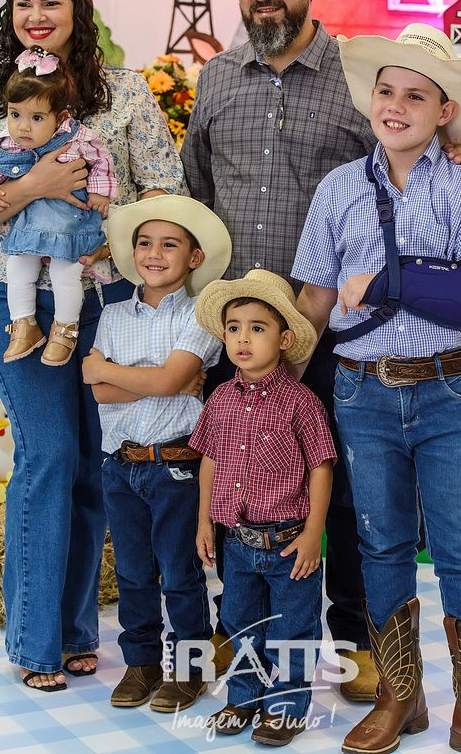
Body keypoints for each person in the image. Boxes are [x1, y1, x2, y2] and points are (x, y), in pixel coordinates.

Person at [181, 0, 461, 699]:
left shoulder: (356, 80)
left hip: (332, 332)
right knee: (240, 481)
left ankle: (357, 640)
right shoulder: (216, 80)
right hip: (238, 331)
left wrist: (457, 154)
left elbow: (403, 156)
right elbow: (197, 194)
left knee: (344, 488)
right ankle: (245, 632)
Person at [293, 24, 461, 754]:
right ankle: (401, 696)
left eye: (416, 97)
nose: (396, 106)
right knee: (380, 544)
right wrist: (282, 379)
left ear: (444, 112)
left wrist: (386, 285)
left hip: (449, 393)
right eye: (387, 91)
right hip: (362, 394)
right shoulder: (338, 190)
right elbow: (316, 298)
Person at [0, 0, 184, 691]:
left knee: (91, 462)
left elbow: (166, 189)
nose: (37, 16)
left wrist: (109, 229)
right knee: (48, 455)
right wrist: (44, 182)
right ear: (9, 13)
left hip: (105, 299)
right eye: (24, 4)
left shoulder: (124, 93)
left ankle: (78, 632)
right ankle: (34, 643)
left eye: (51, 2)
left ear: (77, 10)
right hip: (15, 297)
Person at [82, 195, 231, 710]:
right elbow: (98, 391)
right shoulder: (112, 314)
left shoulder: (202, 315)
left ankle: (189, 669)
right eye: (145, 243)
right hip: (120, 465)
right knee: (132, 573)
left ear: (194, 257)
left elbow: (162, 379)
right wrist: (162, 381)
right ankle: (141, 663)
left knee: (181, 573)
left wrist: (120, 374)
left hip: (176, 467)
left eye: (170, 244)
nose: (154, 253)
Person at [191, 269, 336, 747]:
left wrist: (313, 533)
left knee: (293, 629)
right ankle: (243, 697)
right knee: (240, 623)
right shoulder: (220, 399)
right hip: (238, 542)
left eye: (257, 328)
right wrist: (205, 522)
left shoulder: (301, 402)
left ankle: (288, 706)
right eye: (234, 328)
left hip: (289, 543)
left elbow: (320, 467)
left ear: (284, 339)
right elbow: (210, 459)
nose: (243, 339)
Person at [0, 46, 118, 366]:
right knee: (17, 267)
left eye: (36, 118)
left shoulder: (77, 140)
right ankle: (24, 324)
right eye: (15, 115)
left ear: (60, 117)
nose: (23, 127)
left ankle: (65, 329)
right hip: (29, 226)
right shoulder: (9, 143)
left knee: (66, 275)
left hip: (70, 224)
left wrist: (100, 193)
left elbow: (102, 161)